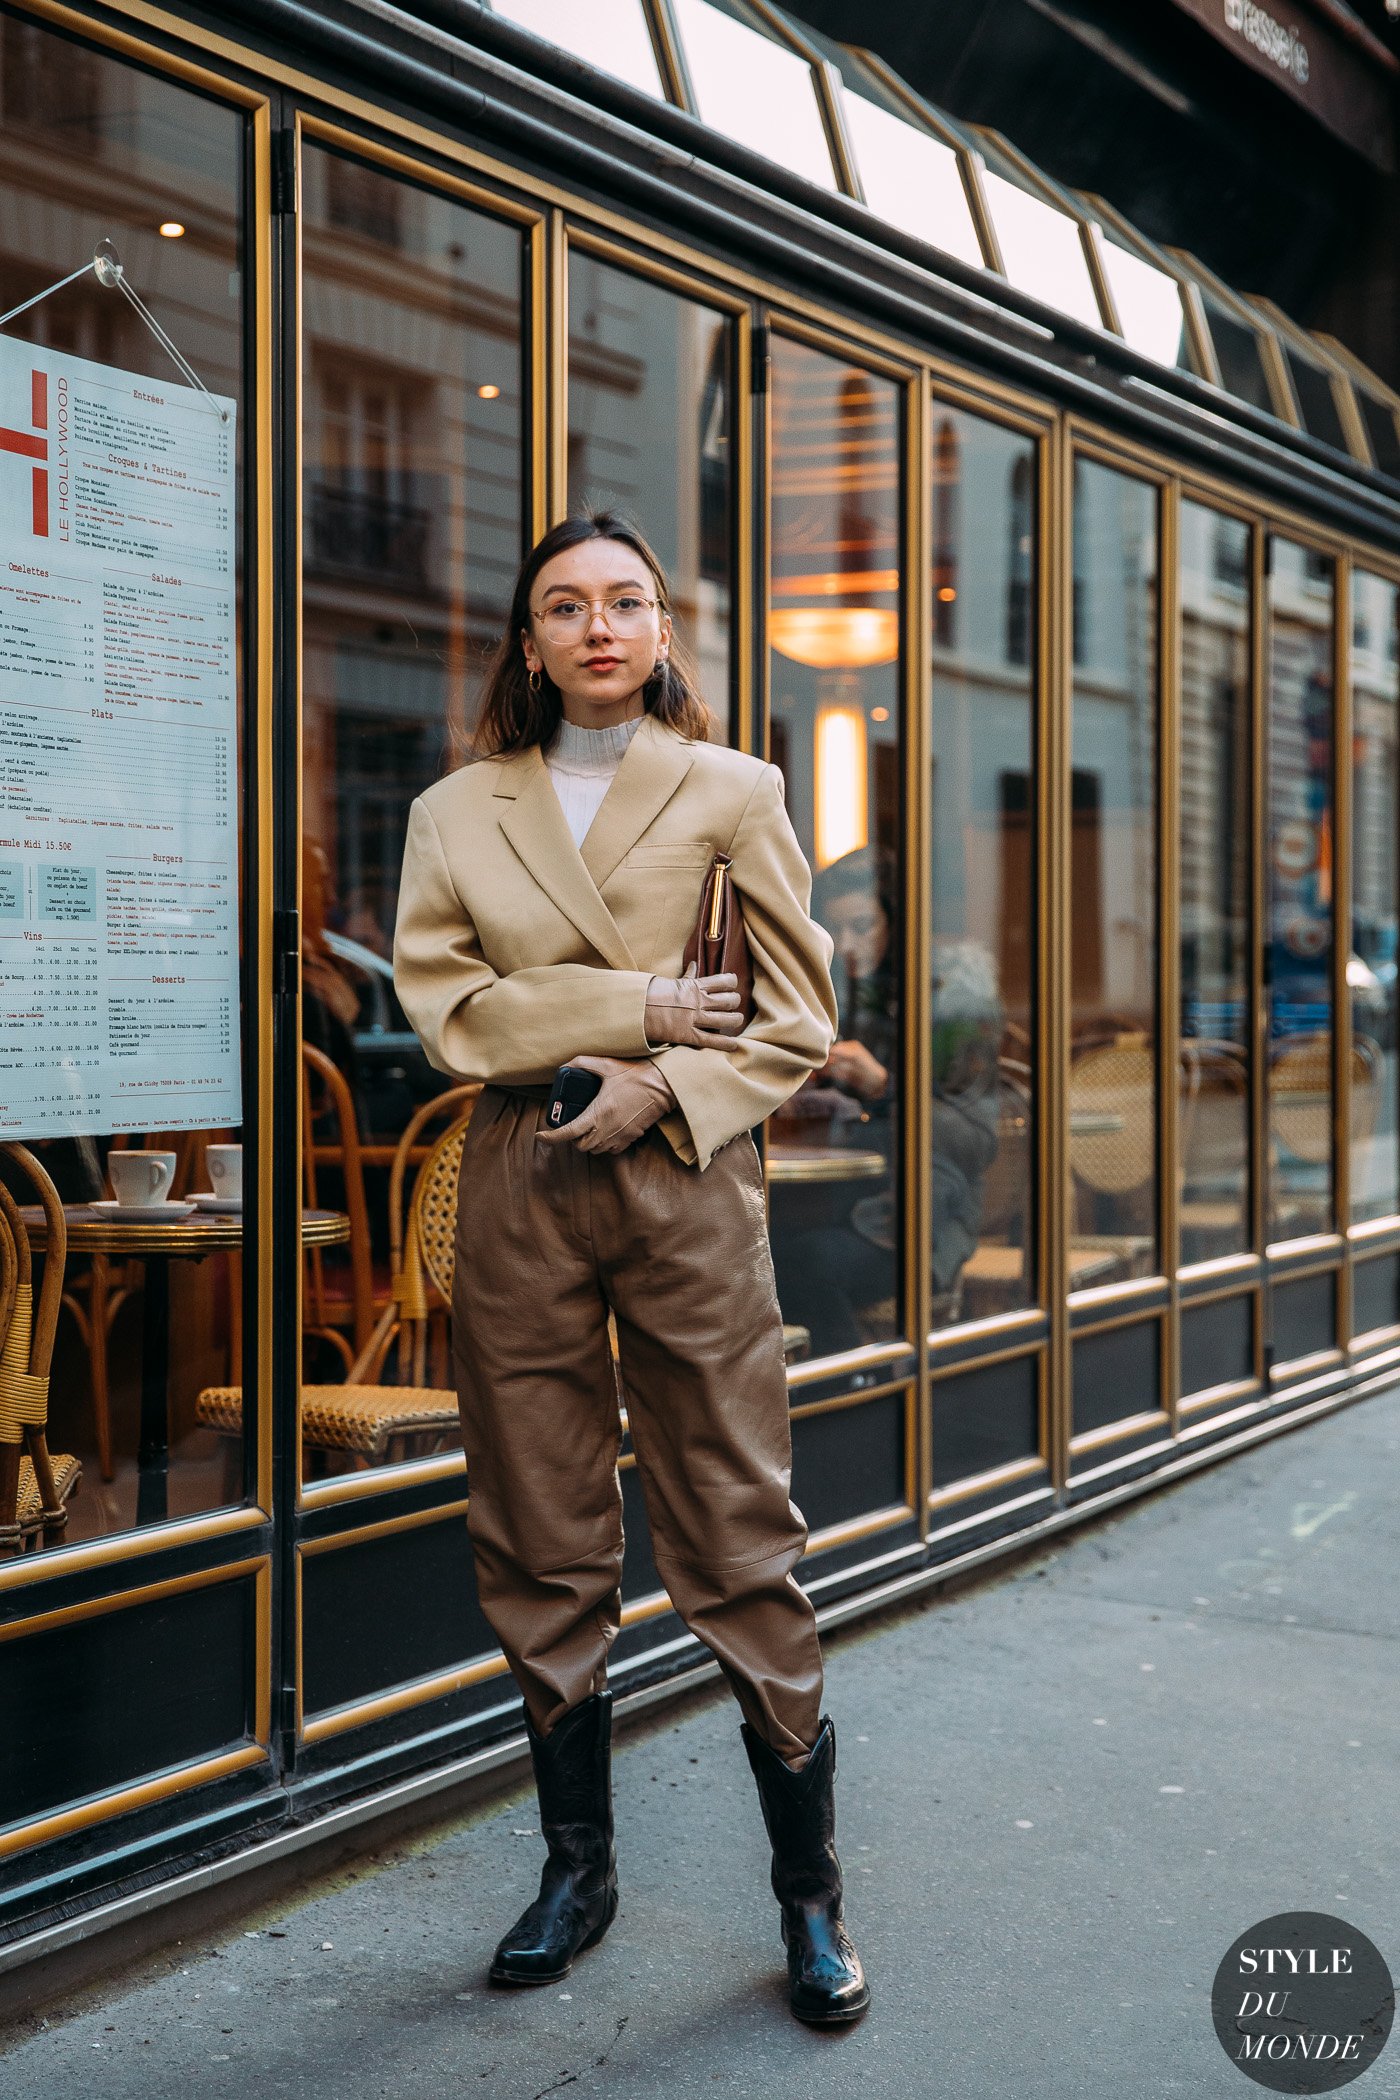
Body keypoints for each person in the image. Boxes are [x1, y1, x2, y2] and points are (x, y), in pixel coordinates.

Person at [392, 512, 870, 2025]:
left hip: (682, 1174)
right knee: (537, 1525)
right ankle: (576, 1871)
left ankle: (809, 1897)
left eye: (626, 602)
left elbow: (799, 1010)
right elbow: (452, 1011)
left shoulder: (737, 787)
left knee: (737, 1521)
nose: (599, 627)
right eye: (564, 606)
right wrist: (649, 1002)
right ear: (527, 642)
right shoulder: (456, 810)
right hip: (525, 1176)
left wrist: (667, 1080)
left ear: (664, 631)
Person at [771, 847, 899, 1358]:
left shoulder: (942, 1001)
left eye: (863, 925)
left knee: (797, 1262)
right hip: (823, 1203)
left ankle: (849, 1391)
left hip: (910, 1215)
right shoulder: (826, 998)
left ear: (897, 922)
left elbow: (972, 1135)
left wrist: (884, 1086)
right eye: (834, 929)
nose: (847, 944)